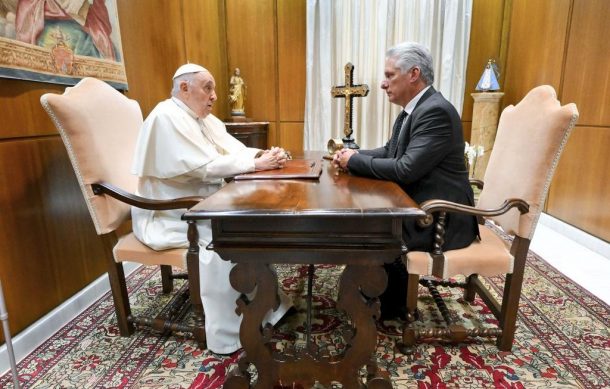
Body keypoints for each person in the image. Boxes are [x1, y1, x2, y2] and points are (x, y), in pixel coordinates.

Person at [131, 63, 292, 354]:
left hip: (202, 203)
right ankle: (233, 331)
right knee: (226, 236)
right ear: (184, 88)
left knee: (252, 222)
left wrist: (261, 155)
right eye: (208, 87)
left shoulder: (200, 119)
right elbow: (203, 168)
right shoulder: (165, 117)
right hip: (172, 212)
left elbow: (230, 149)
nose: (215, 96)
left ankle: (265, 306)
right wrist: (256, 164)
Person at [333, 42, 479, 319]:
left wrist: (353, 161)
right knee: (365, 217)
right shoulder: (415, 109)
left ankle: (388, 303)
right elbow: (390, 151)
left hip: (441, 218)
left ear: (413, 74)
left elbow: (405, 170)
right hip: (420, 205)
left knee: (367, 225)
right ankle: (379, 292)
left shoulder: (435, 111)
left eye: (390, 75)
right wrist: (352, 154)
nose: (383, 84)